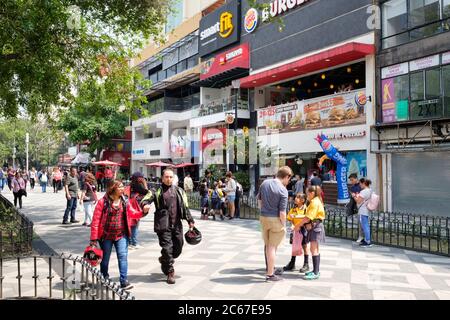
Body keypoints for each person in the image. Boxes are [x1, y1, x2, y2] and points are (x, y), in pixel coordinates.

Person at [89, 180, 149, 290]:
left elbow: (133, 213)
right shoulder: (103, 202)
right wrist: (93, 238)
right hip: (106, 236)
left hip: (121, 235)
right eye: (120, 187)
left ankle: (123, 281)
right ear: (113, 188)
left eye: (123, 187)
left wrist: (143, 212)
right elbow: (96, 221)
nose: (123, 189)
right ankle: (104, 277)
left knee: (123, 257)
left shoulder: (124, 201)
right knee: (105, 259)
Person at [144, 169, 195, 284]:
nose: (169, 179)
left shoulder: (179, 191)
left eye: (171, 177)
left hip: (177, 224)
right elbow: (147, 198)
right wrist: (145, 204)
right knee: (167, 248)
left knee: (178, 248)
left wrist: (190, 220)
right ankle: (170, 272)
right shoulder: (157, 190)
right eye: (166, 177)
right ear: (162, 178)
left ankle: (164, 259)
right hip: (163, 224)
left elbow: (185, 207)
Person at [257, 166, 293, 282]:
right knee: (272, 247)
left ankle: (269, 269)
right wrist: (285, 224)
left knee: (268, 246)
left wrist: (263, 212)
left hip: (263, 217)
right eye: (289, 179)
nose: (288, 182)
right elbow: (282, 212)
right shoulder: (283, 190)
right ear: (287, 176)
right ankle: (270, 274)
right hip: (276, 220)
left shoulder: (265, 183)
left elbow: (259, 201)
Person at [296, 186, 326, 280]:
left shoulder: (314, 202)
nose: (306, 195)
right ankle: (315, 270)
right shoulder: (316, 201)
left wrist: (298, 225)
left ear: (312, 193)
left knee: (314, 249)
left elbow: (308, 218)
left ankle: (316, 272)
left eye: (307, 193)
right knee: (315, 249)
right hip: (315, 227)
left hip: (315, 227)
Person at [283, 193, 310, 272]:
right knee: (294, 246)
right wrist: (291, 224)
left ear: (303, 200)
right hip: (295, 231)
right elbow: (289, 219)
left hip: (303, 230)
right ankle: (292, 263)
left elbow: (308, 219)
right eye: (296, 197)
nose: (295, 199)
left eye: (298, 197)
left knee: (304, 246)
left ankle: (306, 264)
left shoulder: (306, 210)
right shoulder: (293, 209)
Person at [126, 172, 152, 250]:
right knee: (135, 225)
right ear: (138, 178)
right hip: (135, 207)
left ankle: (130, 242)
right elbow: (148, 192)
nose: (143, 178)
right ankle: (134, 243)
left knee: (131, 225)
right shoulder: (137, 185)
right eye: (142, 177)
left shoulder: (131, 185)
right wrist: (145, 183)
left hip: (131, 206)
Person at [353, 178, 373, 248]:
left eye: (360, 184)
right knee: (366, 225)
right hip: (367, 210)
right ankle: (367, 239)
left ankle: (368, 241)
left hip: (363, 210)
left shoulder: (363, 192)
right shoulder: (370, 190)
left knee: (365, 226)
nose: (360, 185)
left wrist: (354, 196)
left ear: (364, 183)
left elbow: (358, 201)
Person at [347, 173, 363, 242]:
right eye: (350, 180)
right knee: (359, 222)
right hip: (357, 206)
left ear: (356, 179)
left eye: (352, 180)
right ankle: (360, 236)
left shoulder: (361, 186)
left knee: (362, 223)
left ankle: (362, 236)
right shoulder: (352, 187)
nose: (351, 181)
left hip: (362, 206)